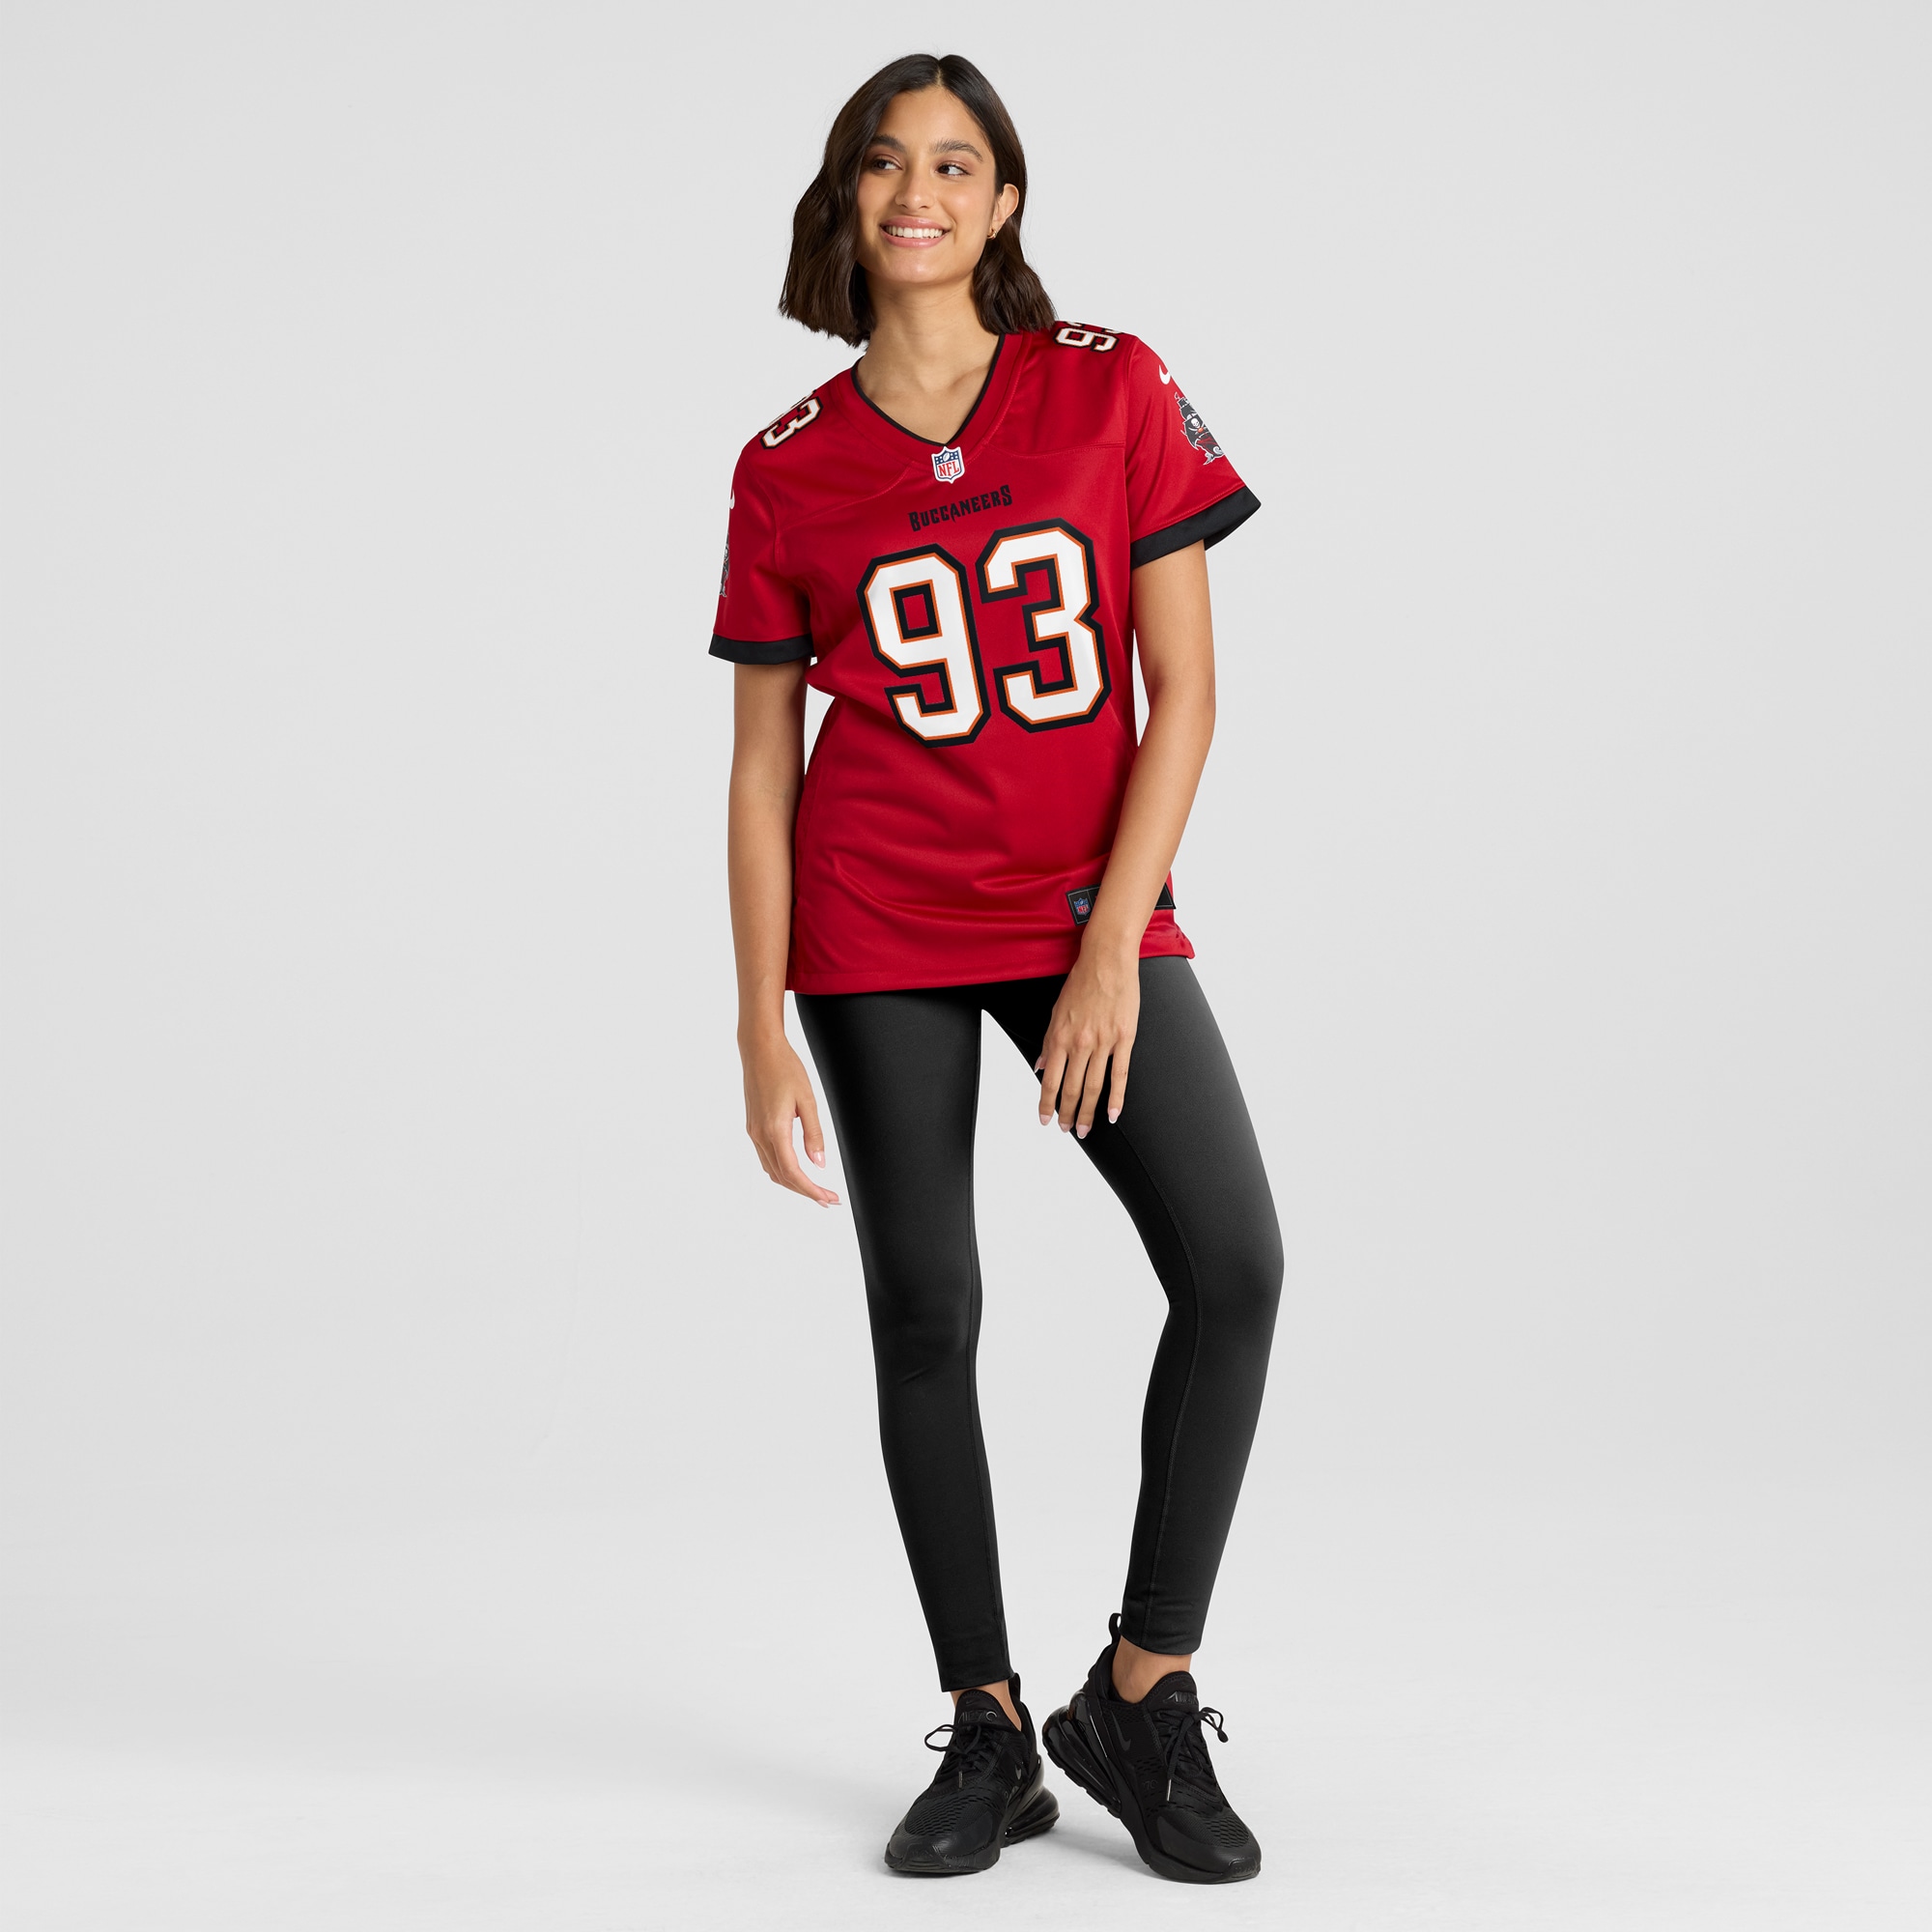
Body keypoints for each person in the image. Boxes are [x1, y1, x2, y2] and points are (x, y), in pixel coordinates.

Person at [713, 52, 1282, 1885]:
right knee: (927, 1311)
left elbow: (1185, 690)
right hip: (871, 919)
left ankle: (1143, 1687)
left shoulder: (1110, 385)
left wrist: (1110, 945)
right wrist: (755, 1022)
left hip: (1078, 907)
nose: (919, 193)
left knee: (1235, 1264)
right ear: (847, 198)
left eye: (956, 165)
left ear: (1005, 201)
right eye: (886, 163)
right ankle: (988, 1723)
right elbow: (762, 767)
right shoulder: (786, 465)